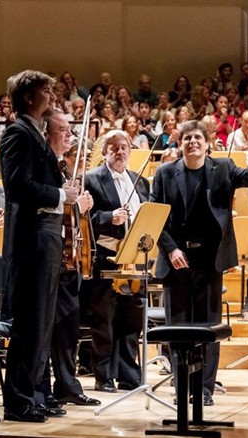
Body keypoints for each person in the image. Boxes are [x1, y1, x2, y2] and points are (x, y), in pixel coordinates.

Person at [150, 120, 248, 406]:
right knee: (178, 328)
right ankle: (181, 385)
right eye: (187, 138)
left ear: (208, 143)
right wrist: (171, 249)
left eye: (198, 137)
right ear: (180, 143)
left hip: (210, 260)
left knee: (209, 328)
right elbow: (155, 215)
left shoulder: (222, 168)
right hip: (176, 261)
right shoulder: (164, 173)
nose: (193, 141)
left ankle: (204, 389)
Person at [0, 70, 79, 423]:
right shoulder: (17, 132)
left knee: (43, 322)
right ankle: (19, 400)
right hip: (31, 239)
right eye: (47, 91)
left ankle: (35, 393)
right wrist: (62, 194)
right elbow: (17, 187)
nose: (53, 95)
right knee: (30, 323)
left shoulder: (35, 134)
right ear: (29, 98)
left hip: (45, 235)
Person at [38, 110, 100, 407]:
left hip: (69, 261)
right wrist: (72, 203)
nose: (70, 135)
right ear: (47, 133)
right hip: (51, 259)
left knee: (67, 329)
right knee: (48, 329)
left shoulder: (62, 168)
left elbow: (67, 211)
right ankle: (44, 388)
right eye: (63, 130)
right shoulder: (44, 165)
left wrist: (80, 208)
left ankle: (67, 384)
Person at [82, 130, 150, 394]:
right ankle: (104, 375)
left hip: (134, 260)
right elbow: (84, 218)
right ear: (105, 151)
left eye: (124, 147)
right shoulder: (92, 179)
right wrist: (109, 217)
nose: (120, 152)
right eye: (114, 147)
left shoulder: (140, 181)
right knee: (105, 320)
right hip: (106, 259)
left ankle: (128, 373)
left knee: (131, 319)